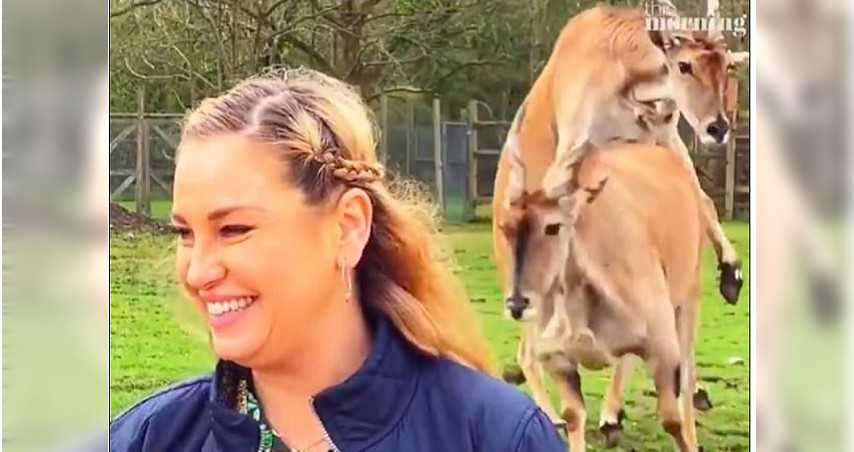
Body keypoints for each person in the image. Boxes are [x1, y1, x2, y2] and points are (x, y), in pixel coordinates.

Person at [109, 68, 565, 452]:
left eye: (233, 230)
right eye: (185, 233)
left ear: (348, 227)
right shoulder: (148, 438)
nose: (198, 271)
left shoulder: (495, 435)